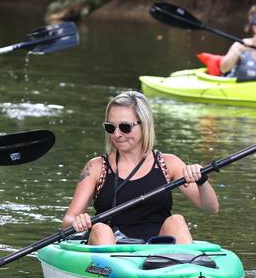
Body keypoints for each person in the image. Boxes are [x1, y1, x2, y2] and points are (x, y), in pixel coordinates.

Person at [61, 91, 219, 245]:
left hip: (156, 250)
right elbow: (67, 221)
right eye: (110, 127)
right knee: (101, 228)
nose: (116, 134)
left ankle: (184, 267)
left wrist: (201, 181)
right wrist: (78, 221)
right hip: (111, 250)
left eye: (125, 127)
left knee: (177, 221)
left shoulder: (169, 164)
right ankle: (115, 269)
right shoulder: (96, 167)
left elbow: (211, 208)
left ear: (144, 125)